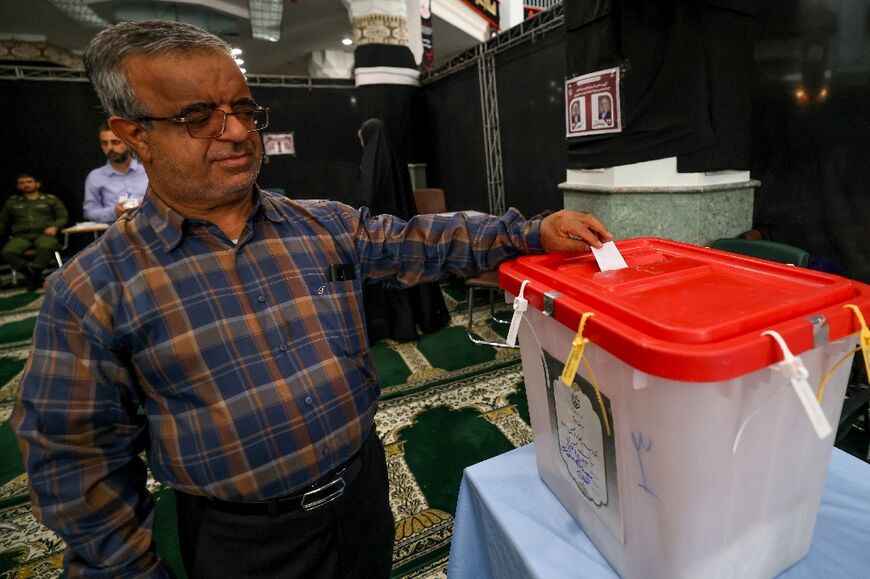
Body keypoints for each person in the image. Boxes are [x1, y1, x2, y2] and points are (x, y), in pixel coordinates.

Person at [11, 20, 611, 579]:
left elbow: (419, 241)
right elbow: (76, 459)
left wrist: (530, 231)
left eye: (243, 109)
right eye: (200, 117)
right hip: (248, 542)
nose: (240, 132)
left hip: (361, 495)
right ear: (134, 135)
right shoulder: (93, 289)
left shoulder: (319, 224)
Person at [355, 118, 450, 342]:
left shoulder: (371, 167)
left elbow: (365, 199)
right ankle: (423, 319)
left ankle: (393, 327)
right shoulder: (396, 163)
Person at [0, 174, 68, 291]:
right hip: (21, 236)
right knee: (8, 252)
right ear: (18, 186)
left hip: (44, 234)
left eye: (29, 182)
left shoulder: (50, 200)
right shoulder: (12, 202)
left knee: (46, 247)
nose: (26, 185)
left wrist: (55, 226)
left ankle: (35, 273)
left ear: (37, 184)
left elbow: (63, 216)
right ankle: (30, 274)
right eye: (22, 183)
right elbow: (2, 221)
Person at [83, 122, 149, 223]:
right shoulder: (95, 177)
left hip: (152, 229)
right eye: (105, 143)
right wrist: (114, 211)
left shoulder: (146, 171)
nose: (110, 148)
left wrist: (145, 206)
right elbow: (89, 212)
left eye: (115, 142)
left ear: (127, 142)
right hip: (115, 234)